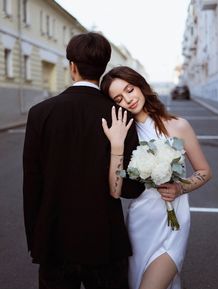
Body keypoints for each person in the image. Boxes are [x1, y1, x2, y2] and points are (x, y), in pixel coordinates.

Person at [23, 34, 144, 289]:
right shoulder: (120, 114)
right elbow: (132, 188)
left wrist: (36, 239)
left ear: (72, 67)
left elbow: (32, 183)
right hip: (106, 242)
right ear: (103, 69)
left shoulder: (39, 113)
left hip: (54, 241)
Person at [101, 66, 212, 289]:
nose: (128, 100)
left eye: (130, 89)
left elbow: (205, 172)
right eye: (119, 98)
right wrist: (117, 144)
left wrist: (180, 188)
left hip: (174, 223)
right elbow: (115, 189)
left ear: (140, 85)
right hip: (141, 222)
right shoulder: (125, 135)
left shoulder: (178, 125)